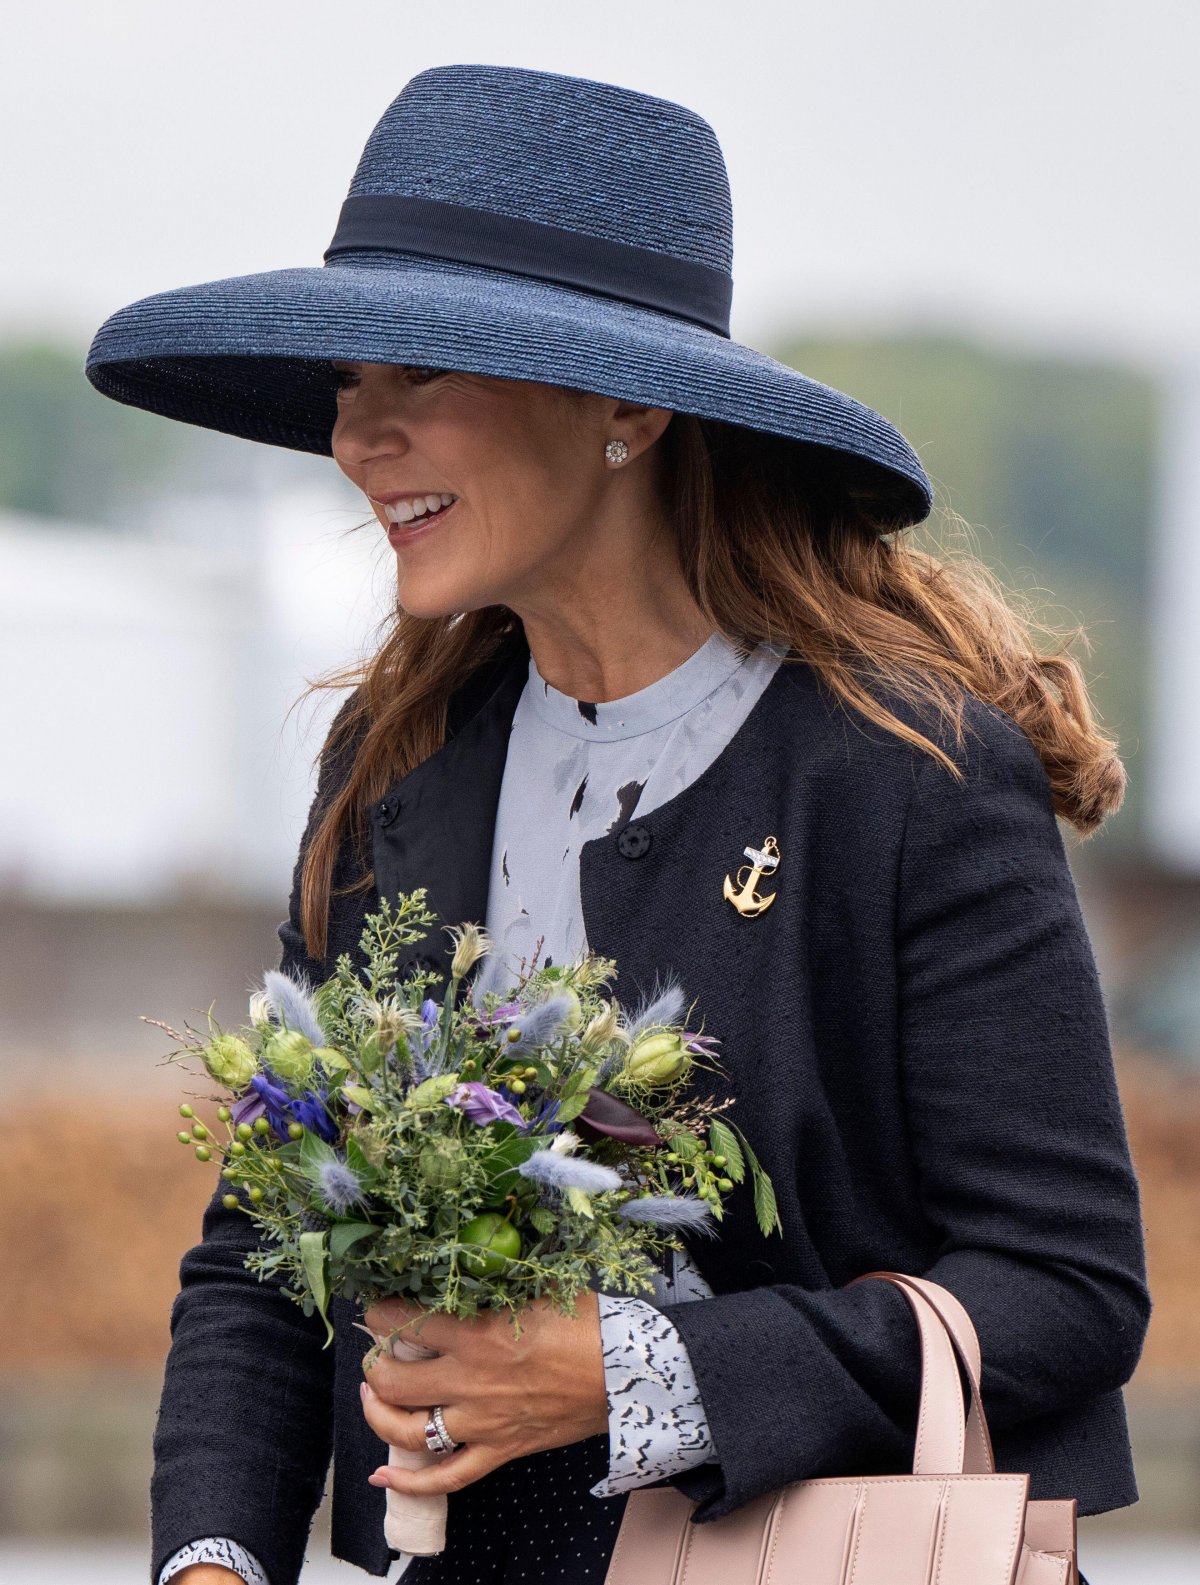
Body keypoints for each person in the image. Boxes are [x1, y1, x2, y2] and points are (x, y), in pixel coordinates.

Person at [86, 63, 1146, 1585]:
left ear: (628, 407)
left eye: (418, 374)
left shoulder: (905, 775)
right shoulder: (395, 764)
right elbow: (268, 1238)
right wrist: (209, 1562)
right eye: (348, 384)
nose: (358, 438)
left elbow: (1067, 1289)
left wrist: (640, 1372)